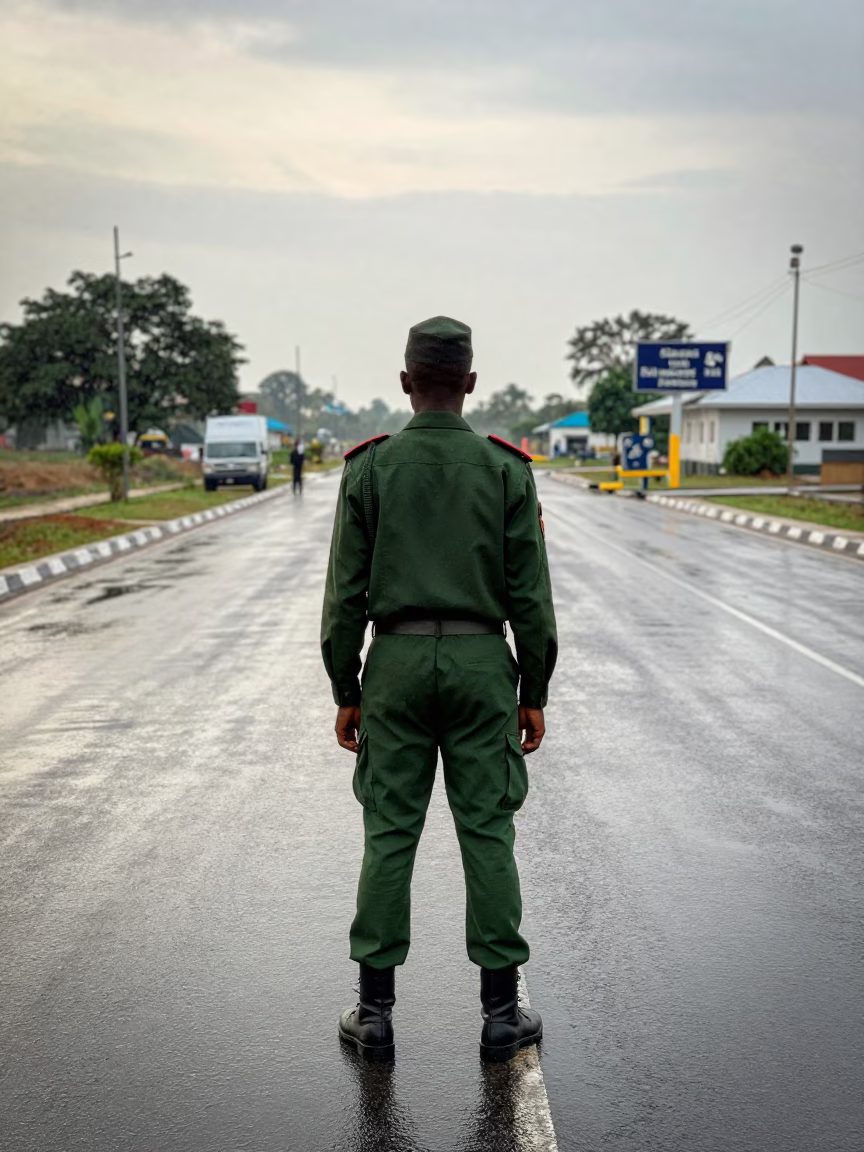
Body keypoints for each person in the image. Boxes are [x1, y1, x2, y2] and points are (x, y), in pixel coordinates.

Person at [321, 316, 557, 1063]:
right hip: (483, 664)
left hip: (391, 665)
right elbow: (533, 601)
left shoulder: (369, 468)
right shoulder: (505, 469)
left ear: (405, 382)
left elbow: (341, 600)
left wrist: (345, 684)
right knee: (487, 830)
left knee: (390, 832)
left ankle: (376, 1013)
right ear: (471, 384)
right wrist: (535, 686)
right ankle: (499, 1015)